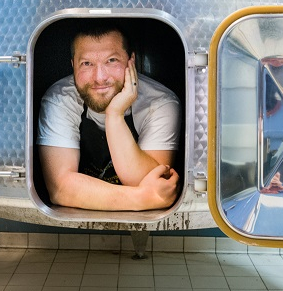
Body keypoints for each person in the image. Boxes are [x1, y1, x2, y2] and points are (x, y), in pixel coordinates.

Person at [37, 22, 181, 210]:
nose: (100, 77)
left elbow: (151, 182)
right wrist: (141, 198)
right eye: (86, 63)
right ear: (73, 65)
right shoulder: (60, 99)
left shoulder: (159, 103)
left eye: (111, 61)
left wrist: (114, 115)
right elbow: (60, 188)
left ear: (131, 61)